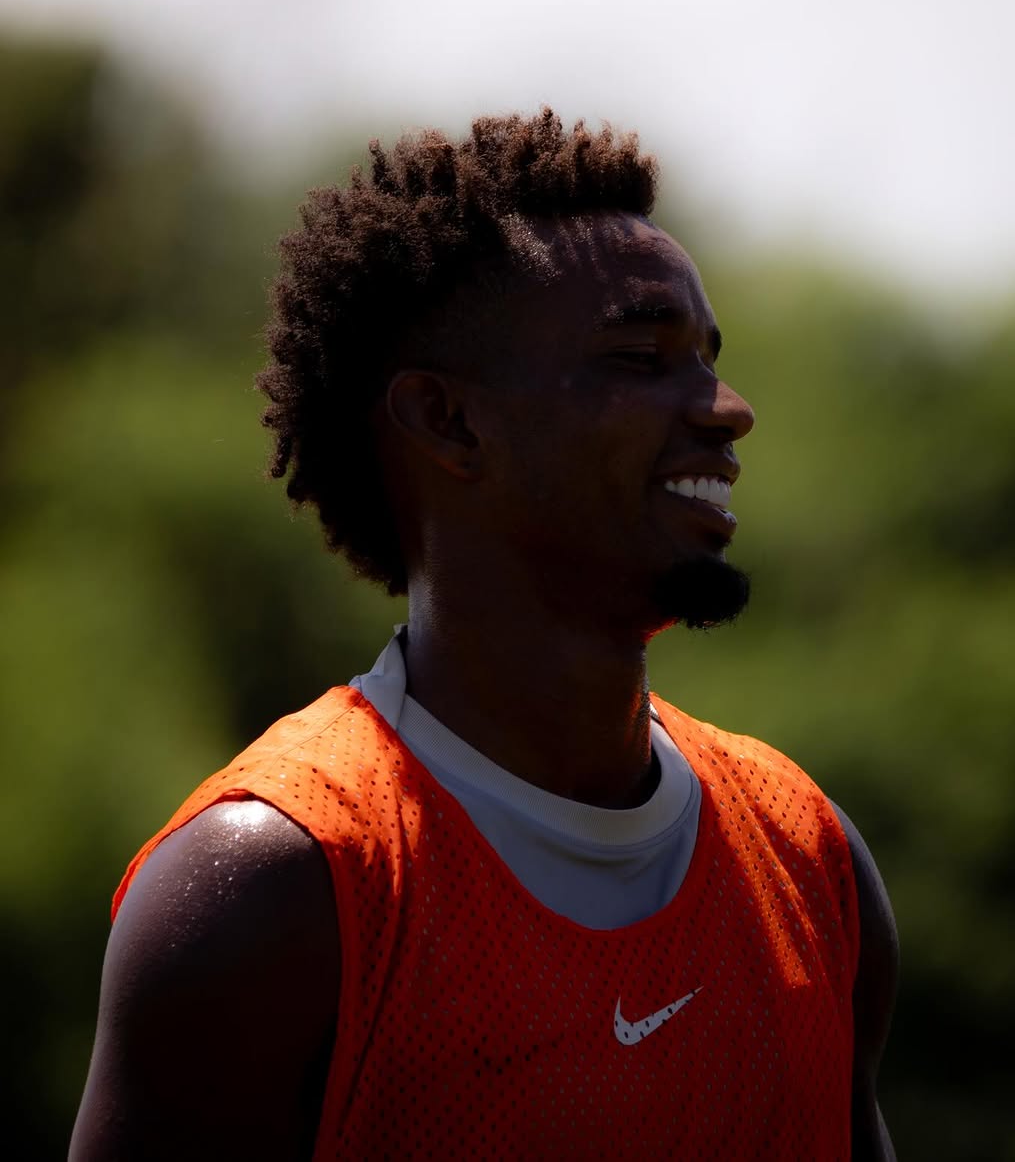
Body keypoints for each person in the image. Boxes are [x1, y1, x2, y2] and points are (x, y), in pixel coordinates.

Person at [71, 110, 898, 1161]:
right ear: (449, 421)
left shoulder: (810, 855)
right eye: (641, 357)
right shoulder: (274, 893)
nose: (727, 410)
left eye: (707, 360)